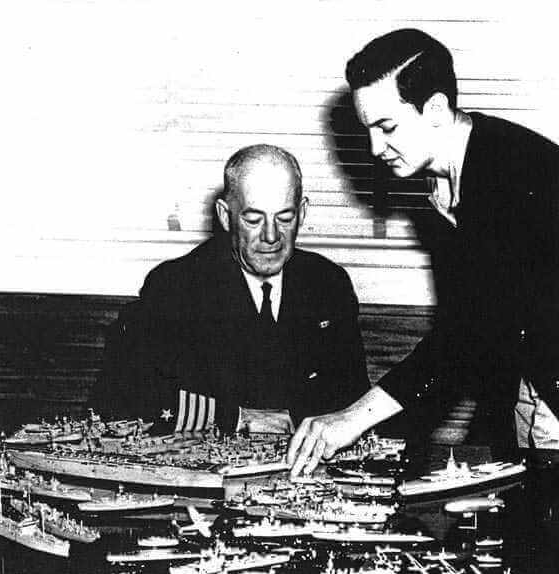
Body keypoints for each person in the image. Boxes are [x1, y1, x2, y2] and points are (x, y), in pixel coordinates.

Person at [287, 28, 559, 474]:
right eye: (367, 130)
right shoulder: (439, 183)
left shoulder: (512, 173)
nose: (375, 148)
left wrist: (352, 419)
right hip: (534, 389)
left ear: (435, 109)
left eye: (387, 127)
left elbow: (464, 336)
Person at [92, 144, 369, 435]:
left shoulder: (327, 284)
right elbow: (121, 396)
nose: (271, 236)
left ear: (302, 213)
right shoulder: (176, 287)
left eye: (284, 218)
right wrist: (238, 418)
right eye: (253, 219)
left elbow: (352, 397)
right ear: (225, 216)